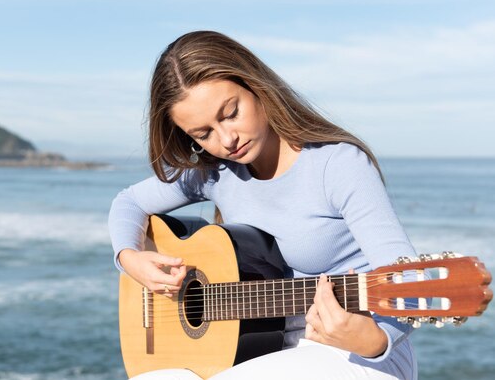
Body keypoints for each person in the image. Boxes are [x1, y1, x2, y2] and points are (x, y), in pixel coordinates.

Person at [108, 31, 417, 380]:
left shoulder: (337, 164)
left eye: (230, 113)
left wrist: (376, 339)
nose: (226, 140)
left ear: (257, 87)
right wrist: (129, 259)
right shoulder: (216, 174)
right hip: (267, 350)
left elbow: (406, 280)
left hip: (358, 353)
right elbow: (129, 202)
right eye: (203, 134)